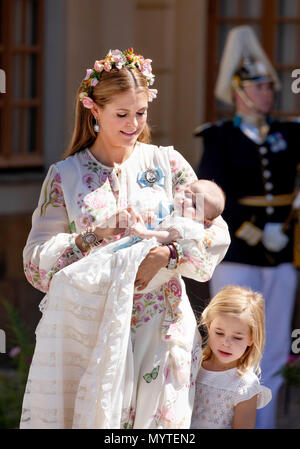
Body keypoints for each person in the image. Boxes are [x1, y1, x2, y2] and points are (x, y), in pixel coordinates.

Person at [20, 48, 230, 429]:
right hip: (90, 333)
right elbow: (36, 264)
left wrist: (166, 255)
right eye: (122, 114)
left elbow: (215, 231)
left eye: (141, 112)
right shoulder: (64, 176)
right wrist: (94, 235)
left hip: (162, 331)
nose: (133, 124)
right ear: (93, 110)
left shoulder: (167, 163)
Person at [195, 26, 300, 428]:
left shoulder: (288, 133)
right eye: (259, 87)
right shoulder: (219, 137)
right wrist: (256, 231)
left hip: (281, 255)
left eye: (271, 86)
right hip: (237, 253)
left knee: (271, 352)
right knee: (228, 348)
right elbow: (212, 196)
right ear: (238, 92)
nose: (268, 94)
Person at [190, 285, 272, 429]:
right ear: (209, 328)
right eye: (219, 333)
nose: (226, 343)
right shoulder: (193, 364)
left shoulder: (245, 385)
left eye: (237, 337)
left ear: (251, 339)